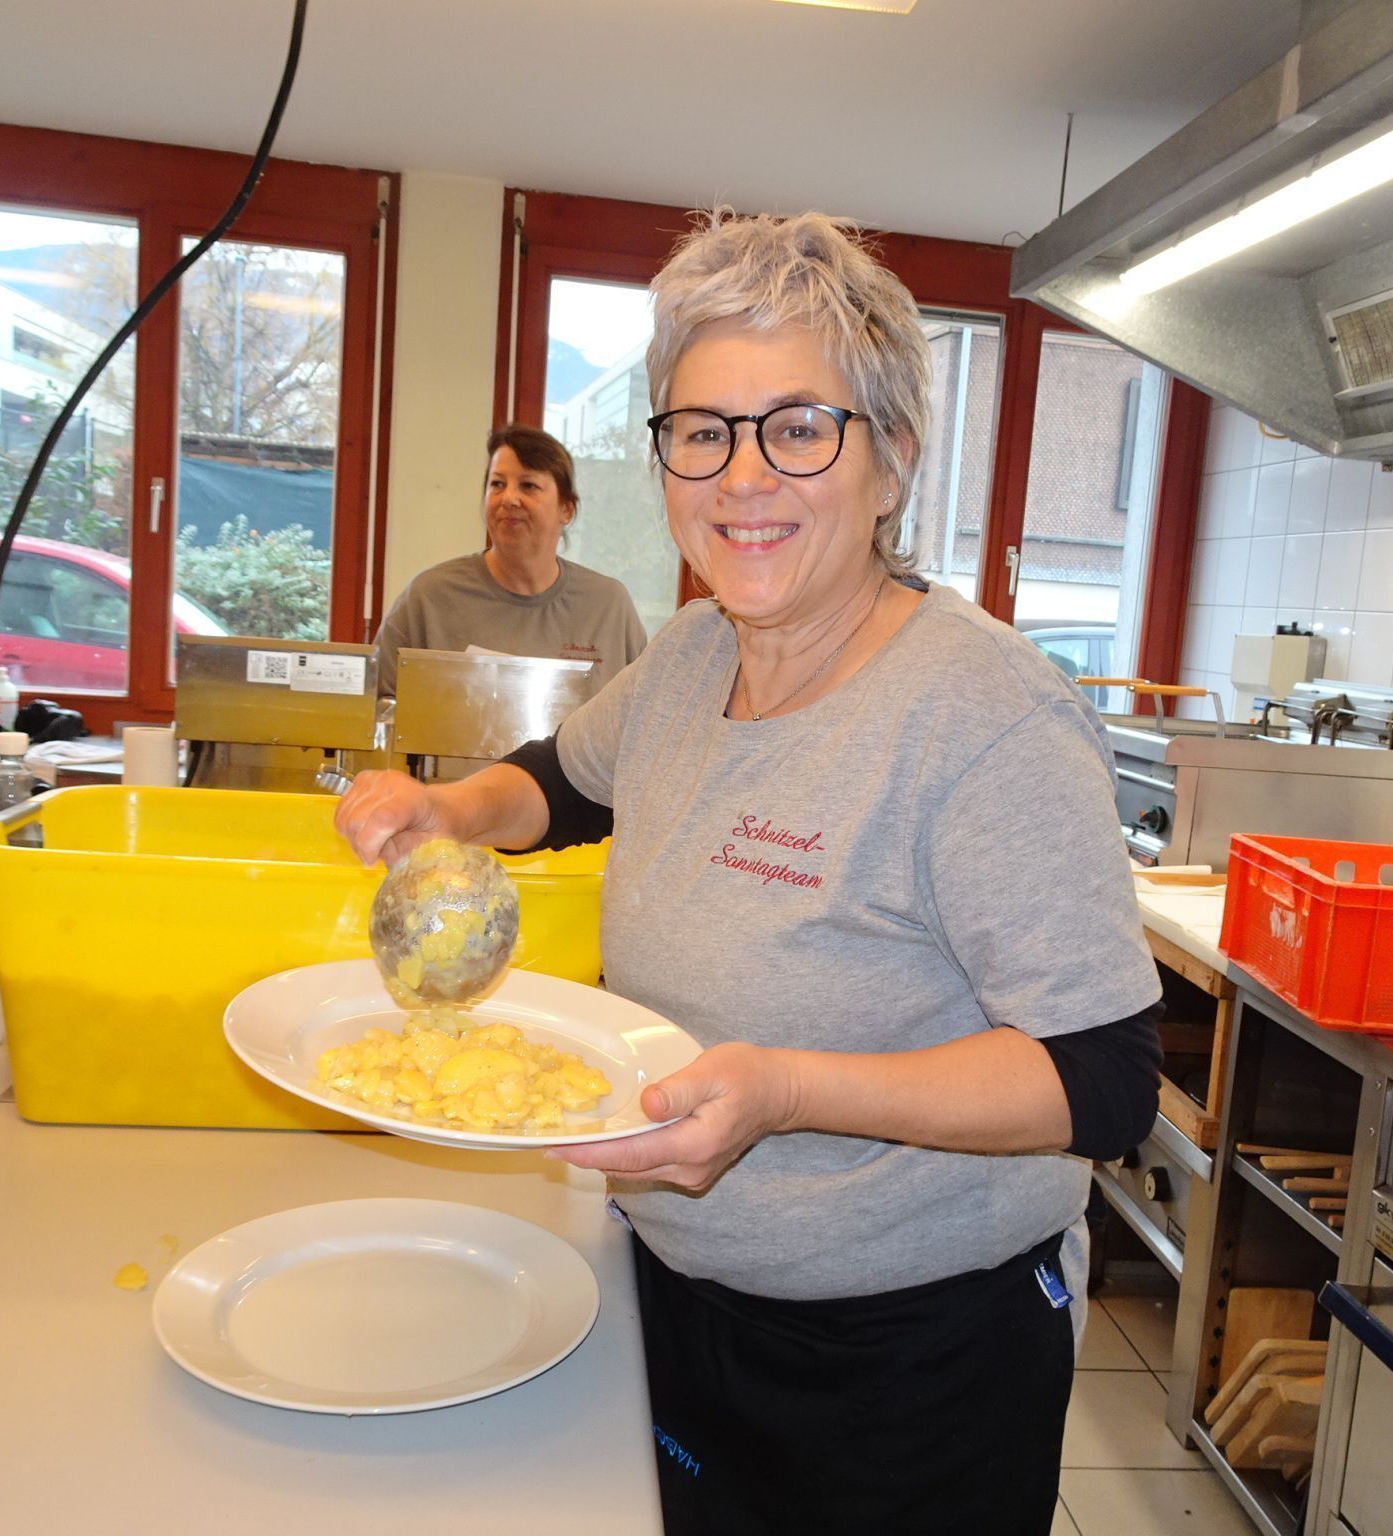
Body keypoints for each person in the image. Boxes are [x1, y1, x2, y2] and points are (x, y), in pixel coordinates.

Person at [336, 212, 1163, 1535]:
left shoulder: (983, 713)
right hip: (678, 1288)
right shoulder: (691, 654)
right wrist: (448, 811)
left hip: (910, 1364)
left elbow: (1106, 1079)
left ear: (891, 461)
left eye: (799, 427)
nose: (742, 477)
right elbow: (561, 781)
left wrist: (784, 1090)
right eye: (702, 431)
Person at [371, 423, 647, 697]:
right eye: (497, 484)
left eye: (528, 485)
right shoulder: (428, 597)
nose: (509, 498)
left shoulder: (609, 606)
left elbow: (642, 715)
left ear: (566, 509)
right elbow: (377, 706)